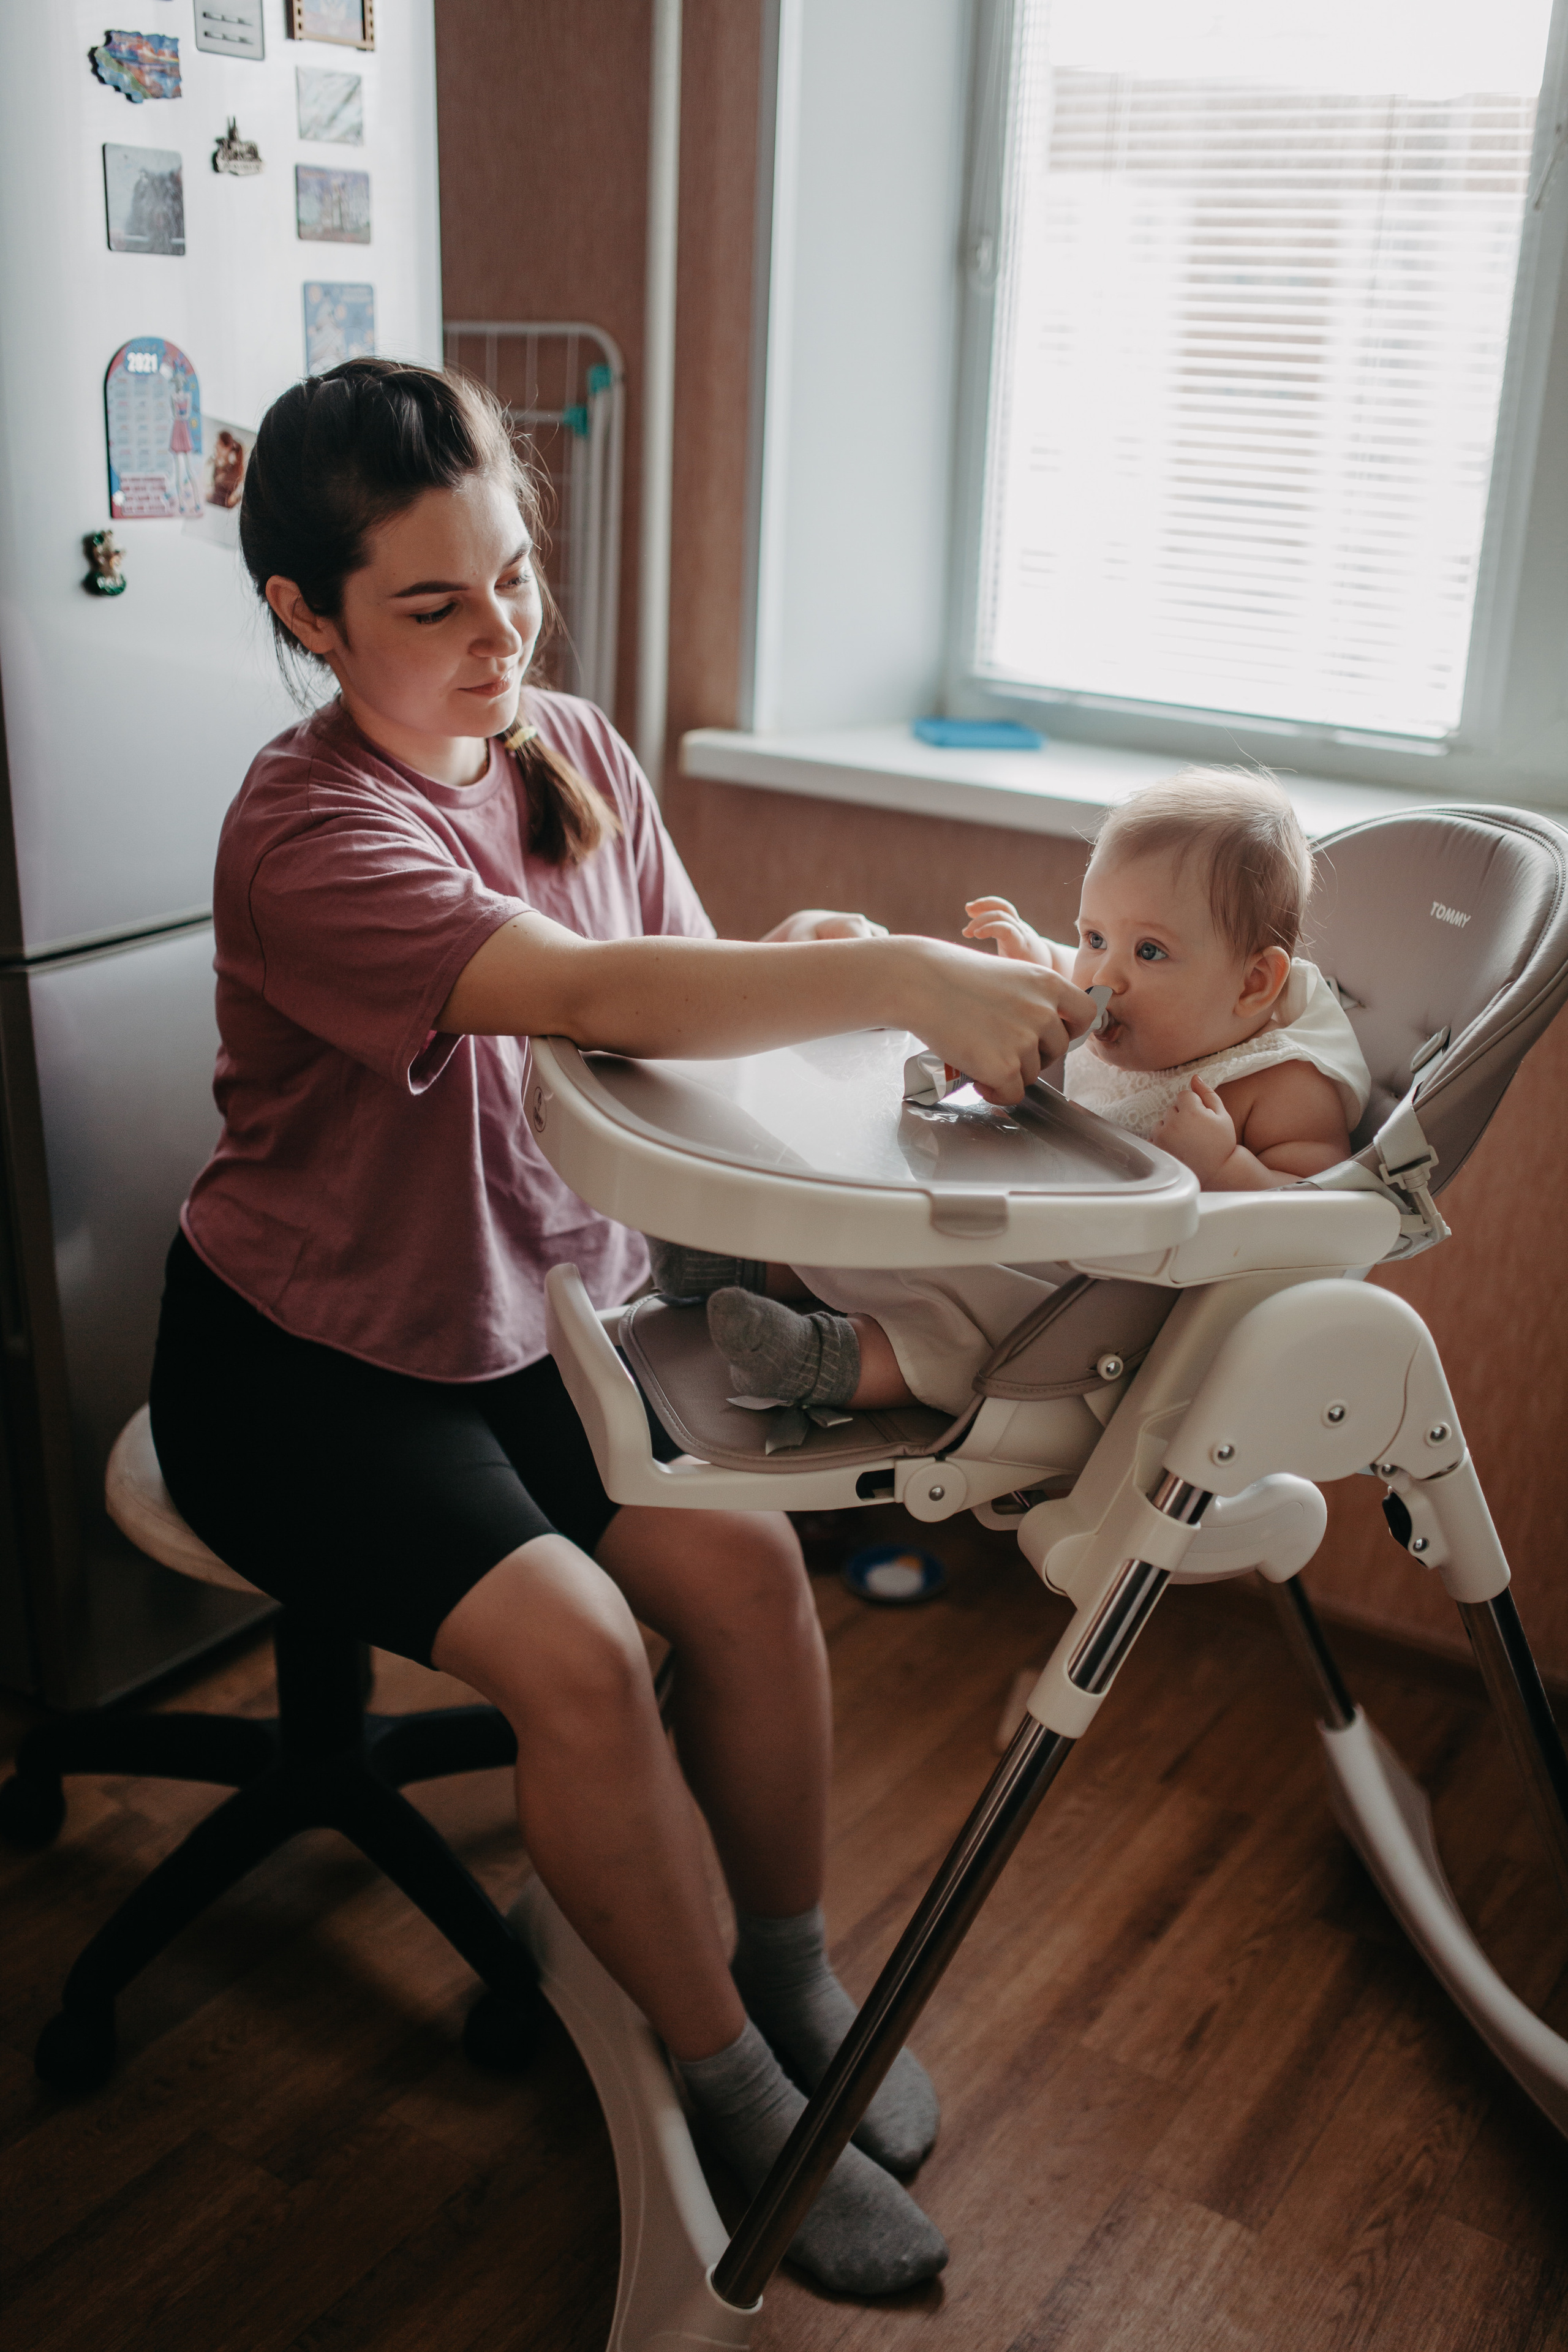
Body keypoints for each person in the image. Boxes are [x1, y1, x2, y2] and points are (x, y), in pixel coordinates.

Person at [148, 358, 1098, 2296]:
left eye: (512, 577)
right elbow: (586, 994)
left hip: (533, 1323)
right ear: (301, 615)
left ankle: (789, 1978)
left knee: (746, 1574)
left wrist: (840, 965)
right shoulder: (307, 835)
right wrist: (886, 975)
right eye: (431, 604)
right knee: (579, 1652)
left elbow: (679, 999)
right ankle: (733, 2084)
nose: (497, 631)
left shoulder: (569, 741)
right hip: (307, 1367)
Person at [656, 771, 1371, 1420]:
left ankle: (836, 1360)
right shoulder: (1143, 1012)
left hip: (1106, 1304)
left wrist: (1224, 1172)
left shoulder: (1279, 1080)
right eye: (1092, 936)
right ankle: (754, 1262)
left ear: (1253, 984)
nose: (1105, 977)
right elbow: (1084, 980)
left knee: (987, 1323)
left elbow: (1316, 1228)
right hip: (1051, 1219)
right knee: (917, 1220)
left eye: (1147, 952)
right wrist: (1040, 958)